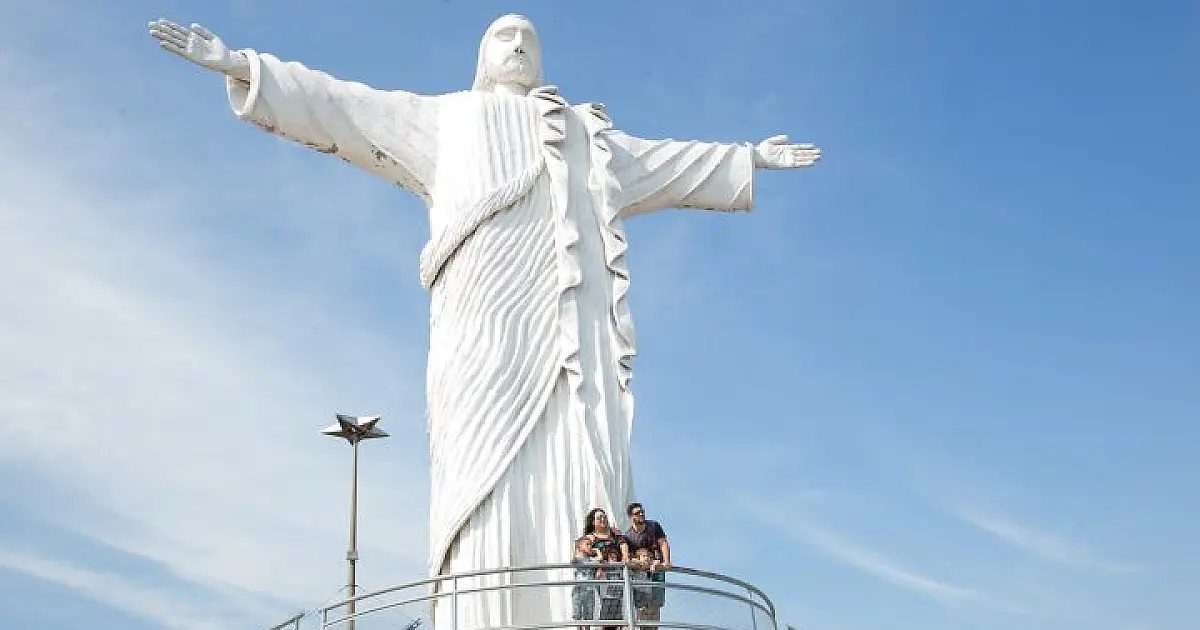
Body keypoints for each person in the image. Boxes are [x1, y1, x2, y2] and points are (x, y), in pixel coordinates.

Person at [147, 13, 820, 630]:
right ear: (481, 55)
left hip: (568, 339)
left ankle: (577, 611)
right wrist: (244, 67)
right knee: (479, 473)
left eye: (531, 37)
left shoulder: (582, 136)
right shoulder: (448, 119)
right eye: (505, 35)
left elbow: (668, 163)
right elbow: (343, 106)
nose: (520, 45)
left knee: (574, 454)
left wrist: (749, 157)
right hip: (480, 331)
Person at [623, 503, 669, 620]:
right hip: (640, 573)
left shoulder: (654, 526)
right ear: (631, 517)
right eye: (637, 513)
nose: (641, 514)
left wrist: (666, 561)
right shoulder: (629, 535)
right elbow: (629, 555)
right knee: (641, 607)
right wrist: (637, 562)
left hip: (657, 569)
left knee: (655, 606)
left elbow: (663, 543)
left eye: (642, 511)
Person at [571, 536, 601, 629]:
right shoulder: (578, 558)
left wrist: (596, 551)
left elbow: (600, 559)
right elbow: (572, 560)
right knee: (577, 613)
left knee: (588, 614)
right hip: (579, 589)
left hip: (590, 590)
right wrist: (576, 547)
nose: (590, 547)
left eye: (591, 545)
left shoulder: (591, 560)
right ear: (580, 547)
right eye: (587, 544)